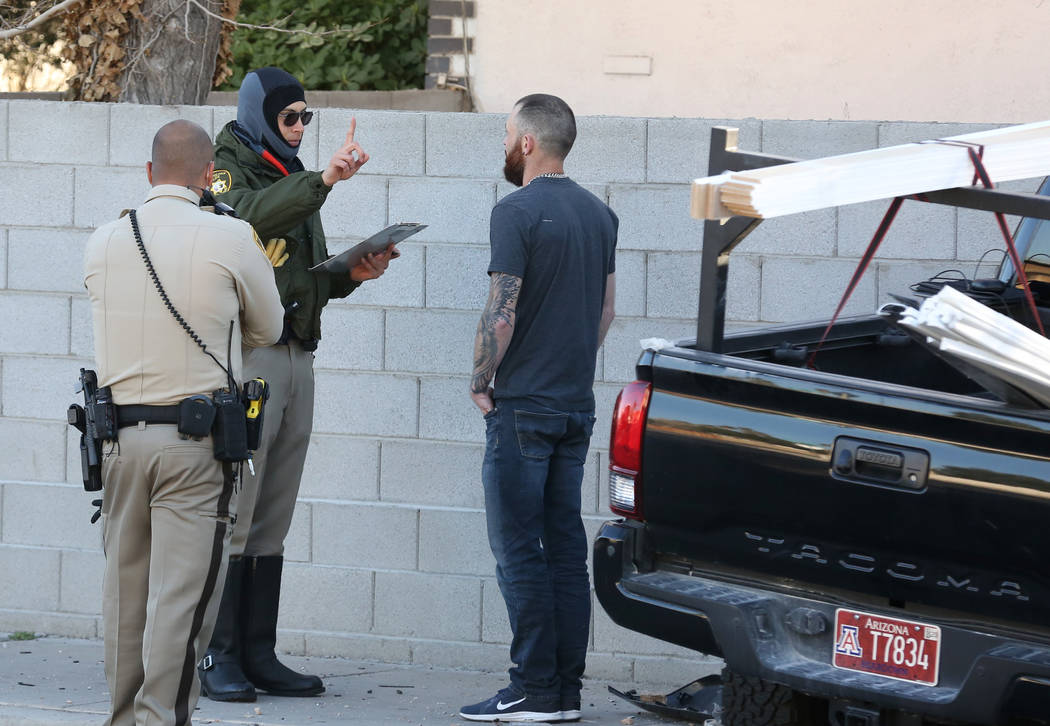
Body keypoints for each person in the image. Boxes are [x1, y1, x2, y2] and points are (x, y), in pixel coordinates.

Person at [198, 67, 395, 702]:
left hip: (294, 356)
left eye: (307, 117)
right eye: (291, 118)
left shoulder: (293, 175)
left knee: (273, 512)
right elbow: (247, 221)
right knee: (235, 508)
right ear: (262, 116)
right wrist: (325, 180)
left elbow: (298, 276)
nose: (301, 128)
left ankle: (258, 651)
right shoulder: (228, 167)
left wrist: (348, 275)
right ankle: (216, 653)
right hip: (247, 359)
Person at [83, 119, 285, 726]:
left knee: (125, 593)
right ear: (206, 177)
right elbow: (269, 330)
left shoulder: (104, 240)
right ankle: (158, 720)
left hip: (118, 443)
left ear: (149, 174)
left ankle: (123, 718)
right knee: (182, 597)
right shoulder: (231, 237)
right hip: (196, 447)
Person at [462, 94, 618, 723]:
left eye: (507, 134)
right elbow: (605, 312)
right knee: (562, 550)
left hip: (522, 407)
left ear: (527, 142)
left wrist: (481, 377)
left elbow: (504, 308)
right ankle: (562, 695)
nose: (505, 145)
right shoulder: (600, 215)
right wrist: (570, 363)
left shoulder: (516, 211)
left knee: (520, 551)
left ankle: (531, 688)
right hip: (574, 409)